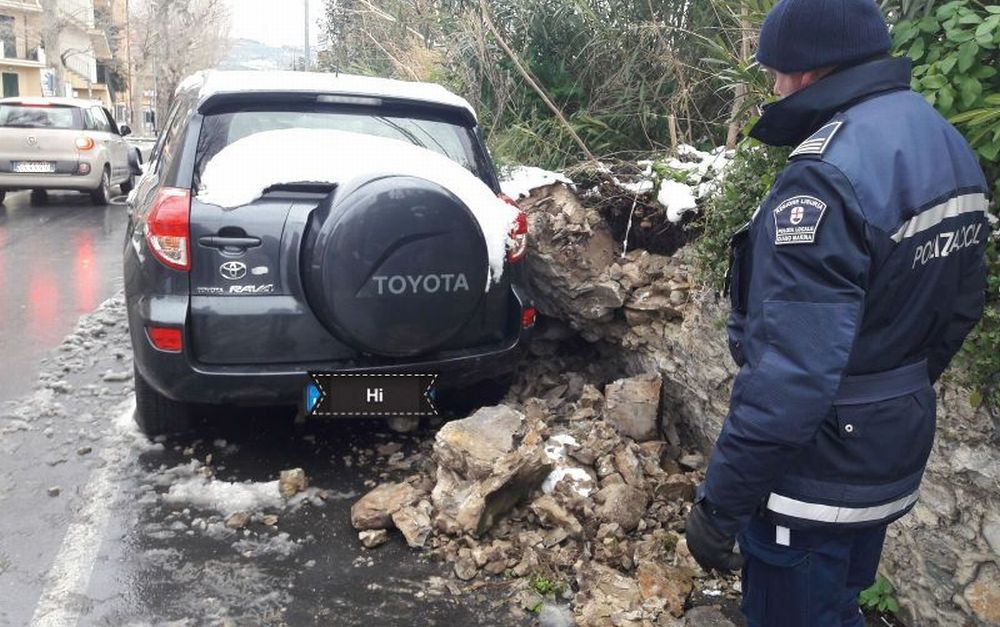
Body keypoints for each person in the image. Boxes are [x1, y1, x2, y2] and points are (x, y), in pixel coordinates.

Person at [682, 1, 991, 625]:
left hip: (815, 476)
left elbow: (790, 377)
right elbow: (961, 306)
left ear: (810, 69)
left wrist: (721, 506)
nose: (771, 85)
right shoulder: (940, 139)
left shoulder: (825, 177)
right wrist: (889, 395)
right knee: (840, 605)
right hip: (888, 445)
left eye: (775, 70)